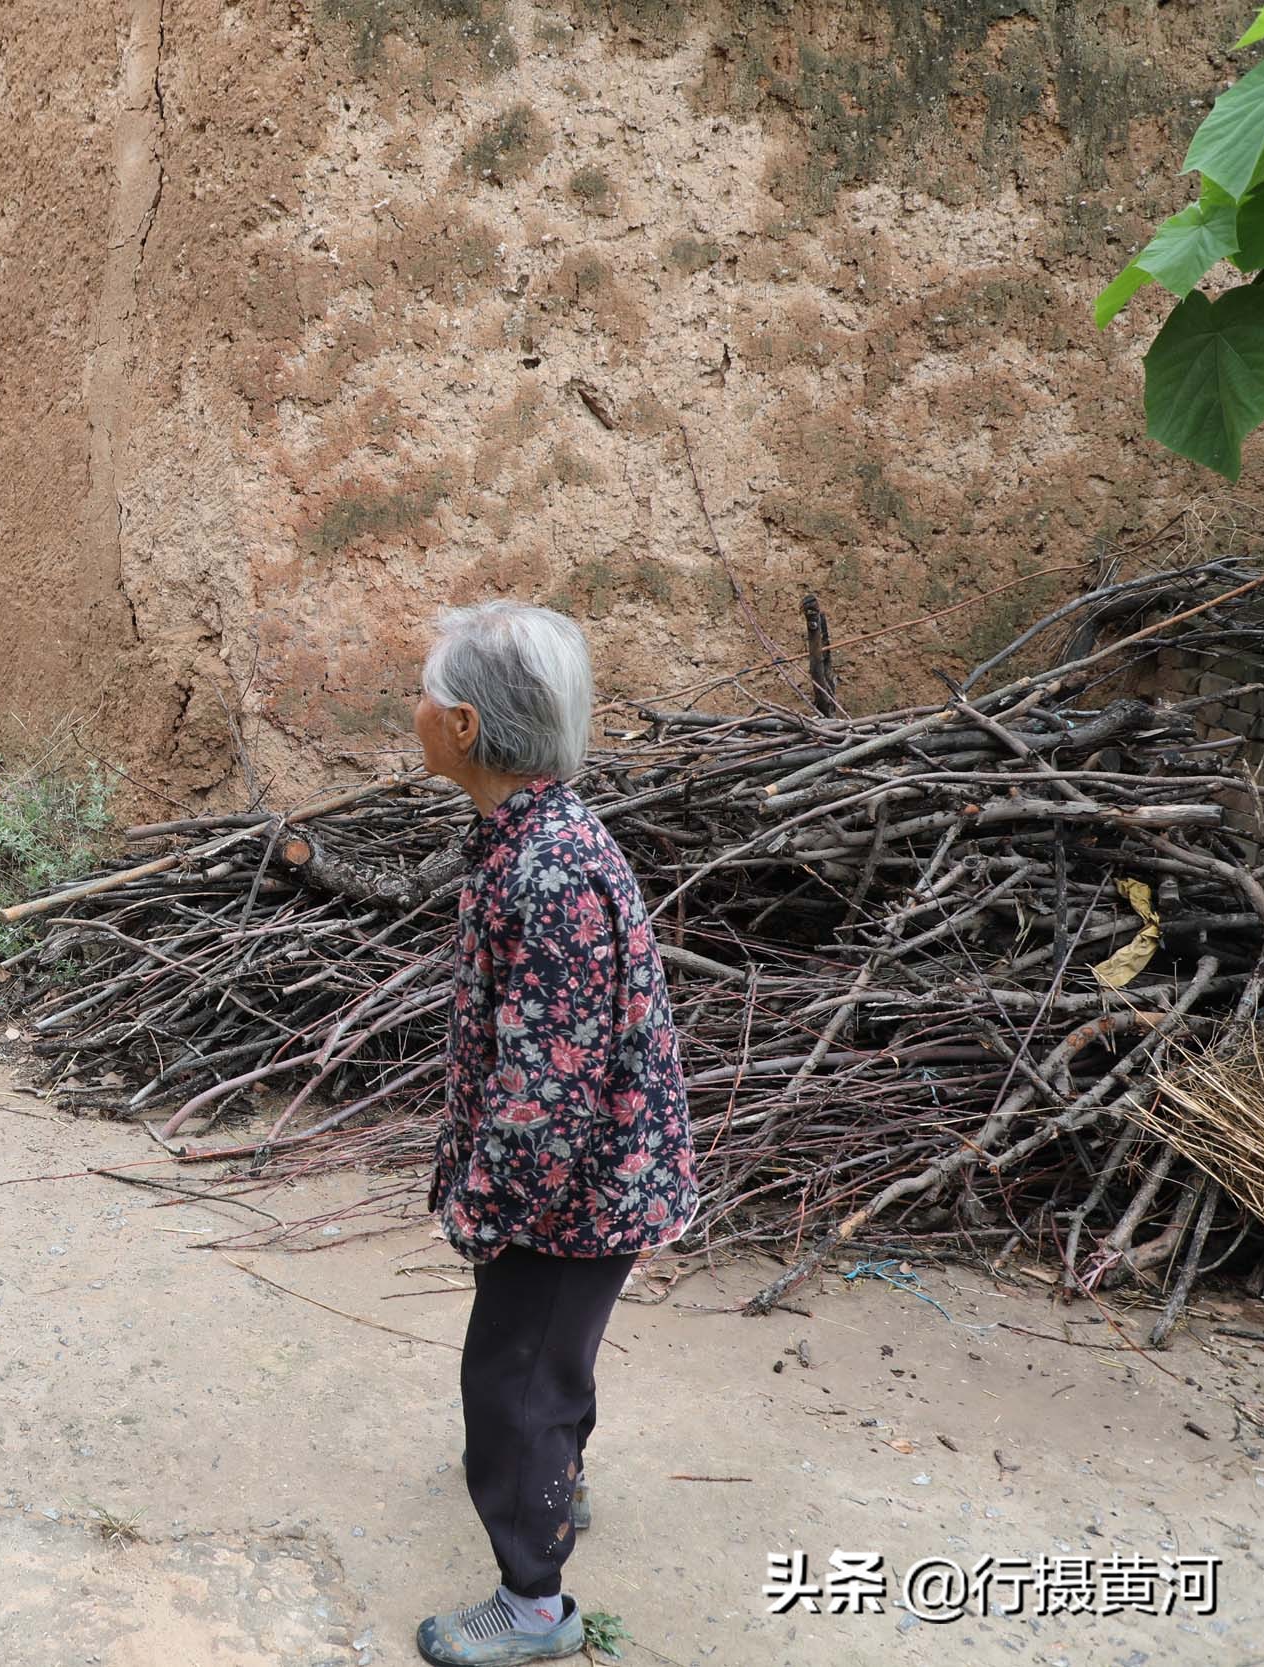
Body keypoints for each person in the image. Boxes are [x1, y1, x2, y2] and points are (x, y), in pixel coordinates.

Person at [409, 602, 698, 1666]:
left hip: (575, 1189)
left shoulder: (549, 869)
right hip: (587, 1175)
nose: (417, 710)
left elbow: (549, 1087)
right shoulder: (528, 833)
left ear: (467, 727)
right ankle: (554, 1487)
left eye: (428, 694)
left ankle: (534, 1602)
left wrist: (483, 1208)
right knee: (547, 1364)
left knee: (513, 1378)